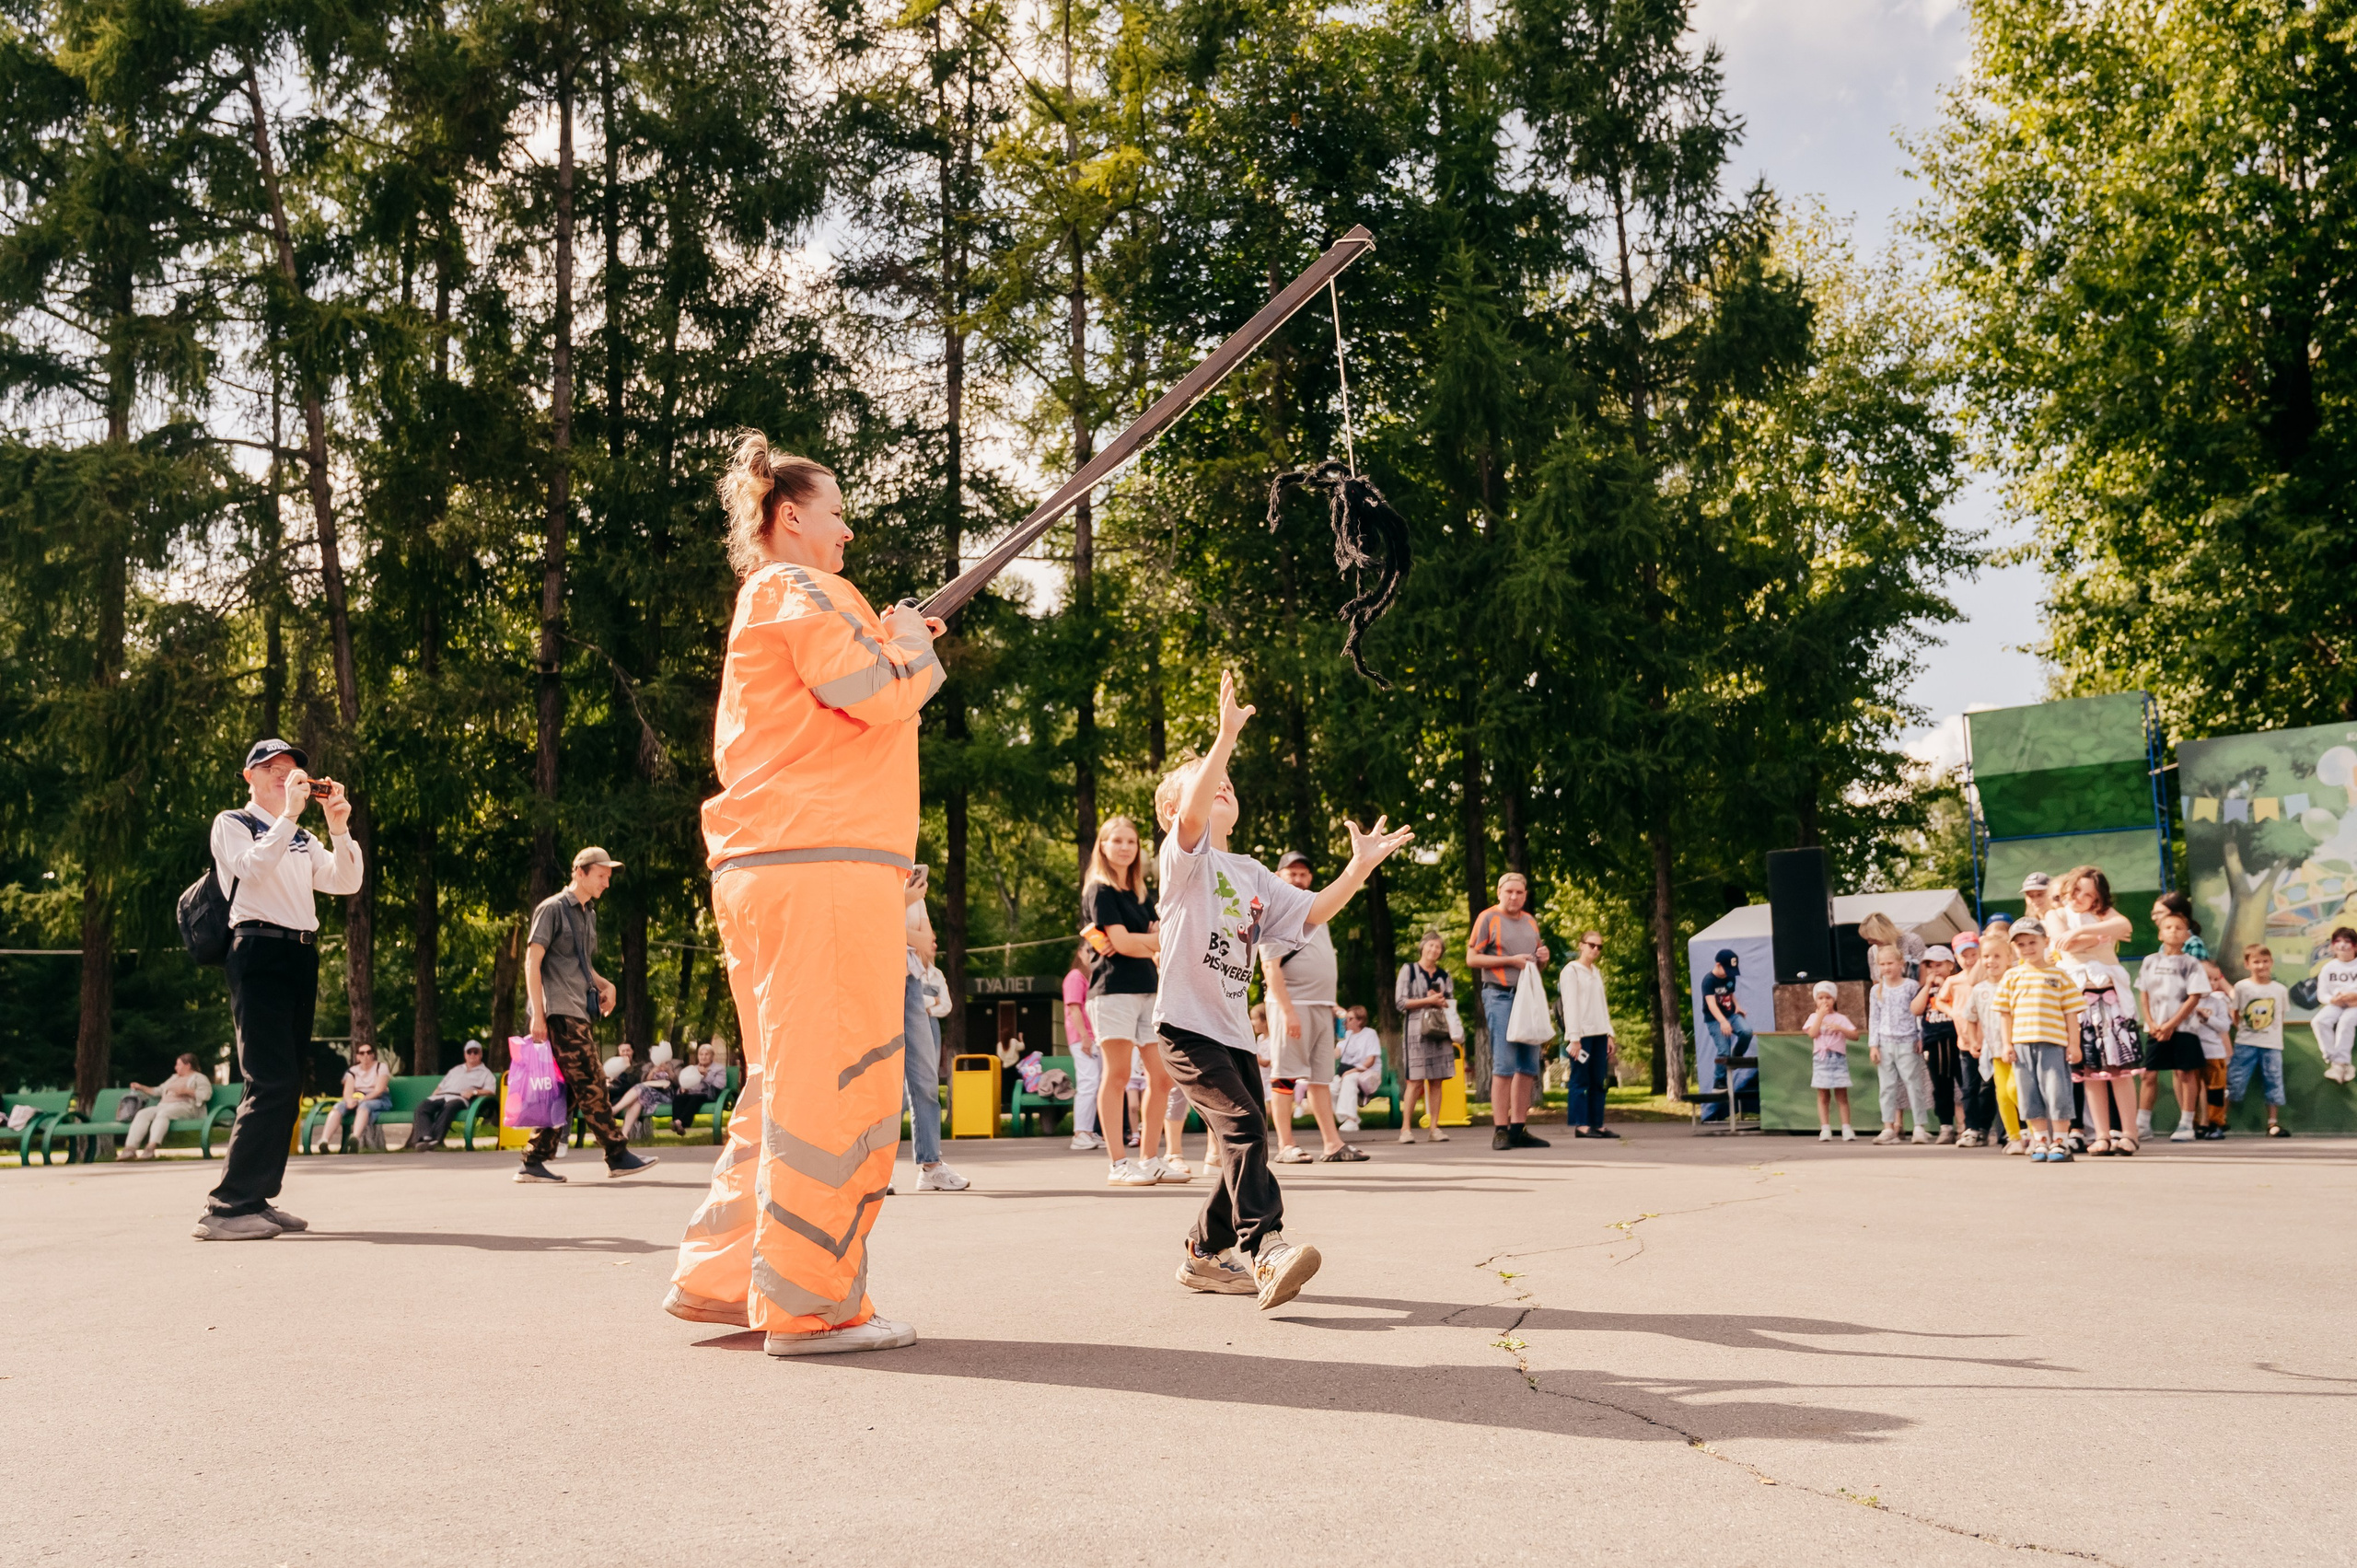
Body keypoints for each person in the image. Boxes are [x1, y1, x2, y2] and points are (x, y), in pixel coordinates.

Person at [665, 436, 943, 1357]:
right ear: (791, 516)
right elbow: (872, 687)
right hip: (819, 861)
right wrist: (901, 640)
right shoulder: (797, 587)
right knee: (840, 1078)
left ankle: (728, 1276)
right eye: (835, 512)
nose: (848, 529)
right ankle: (812, 1305)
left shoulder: (783, 598)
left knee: (789, 1076)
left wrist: (892, 638)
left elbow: (851, 683)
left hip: (781, 859)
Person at [1152, 669, 1412, 1309]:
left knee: (1250, 1137)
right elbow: (1194, 808)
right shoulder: (1185, 860)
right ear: (1174, 809)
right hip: (1187, 1025)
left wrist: (1358, 866)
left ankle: (1202, 1252)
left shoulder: (1251, 873)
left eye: (1230, 787)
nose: (1224, 788)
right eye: (1212, 784)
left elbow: (1314, 912)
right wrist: (1224, 737)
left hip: (1235, 1031)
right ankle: (1265, 1249)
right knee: (1242, 1124)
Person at [196, 738, 365, 1240]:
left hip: (299, 953)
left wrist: (338, 826)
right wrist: (288, 815)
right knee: (267, 1078)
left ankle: (256, 1198)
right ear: (249, 777)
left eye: (290, 768)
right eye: (270, 768)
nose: (282, 775)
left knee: (287, 1082)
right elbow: (251, 868)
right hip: (257, 950)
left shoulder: (301, 835)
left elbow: (345, 881)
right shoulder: (233, 823)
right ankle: (226, 1208)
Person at [515, 849, 657, 1184]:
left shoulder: (587, 914)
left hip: (578, 1010)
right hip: (558, 1013)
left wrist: (608, 985)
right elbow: (532, 961)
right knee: (593, 1083)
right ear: (580, 872)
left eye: (608, 877)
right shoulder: (551, 909)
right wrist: (538, 1014)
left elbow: (581, 965)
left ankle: (533, 1161)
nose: (607, 883)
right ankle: (617, 1154)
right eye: (601, 876)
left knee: (569, 1092)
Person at [1082, 815, 1177, 1186]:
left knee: (1163, 1076)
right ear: (1103, 846)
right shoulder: (1099, 891)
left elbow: (1144, 939)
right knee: (1118, 1075)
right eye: (1116, 840)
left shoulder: (1140, 893)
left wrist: (1144, 942)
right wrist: (1152, 941)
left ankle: (1150, 1158)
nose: (1124, 847)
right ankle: (1119, 1164)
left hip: (1149, 989)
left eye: (1131, 842)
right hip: (1113, 991)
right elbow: (1121, 944)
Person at [1263, 852, 1364, 1163]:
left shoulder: (1319, 909)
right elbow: (1271, 967)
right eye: (1291, 873)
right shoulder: (1275, 911)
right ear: (1277, 876)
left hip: (1320, 1007)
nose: (1299, 878)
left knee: (1321, 1077)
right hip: (1292, 1006)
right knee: (1285, 1077)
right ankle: (1285, 1146)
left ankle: (1332, 1143)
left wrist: (1331, 1004)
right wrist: (1288, 1011)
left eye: (1304, 873)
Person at [2053, 866, 2139, 1151]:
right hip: (2080, 1003)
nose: (2080, 898)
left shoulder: (2104, 916)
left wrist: (2086, 931)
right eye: (2077, 890)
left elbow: (2124, 926)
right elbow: (2063, 944)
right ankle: (2101, 1135)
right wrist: (2103, 937)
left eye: (2088, 895)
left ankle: (2129, 1133)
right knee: (2091, 1070)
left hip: (2111, 1000)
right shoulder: (2057, 915)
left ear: (2098, 899)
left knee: (2119, 1070)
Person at [1469, 872, 1550, 1148]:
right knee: (1504, 1065)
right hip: (1500, 996)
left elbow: (1534, 964)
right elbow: (1471, 958)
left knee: (1528, 1065)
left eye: (1519, 892)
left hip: (1528, 997)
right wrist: (1510, 961)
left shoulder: (1530, 921)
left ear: (1525, 895)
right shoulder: (1488, 918)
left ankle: (1519, 1128)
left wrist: (1543, 959)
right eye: (1509, 892)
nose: (1514, 897)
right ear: (1499, 892)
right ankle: (1500, 1130)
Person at [1994, 919, 2087, 1163]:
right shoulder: (2011, 976)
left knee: (2057, 1092)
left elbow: (2071, 1012)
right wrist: (2006, 1044)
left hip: (2053, 1044)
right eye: (2021, 944)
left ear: (2046, 942)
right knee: (2028, 1095)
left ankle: (2060, 1140)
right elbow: (2005, 1013)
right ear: (2014, 948)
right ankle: (2040, 1139)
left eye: (2032, 942)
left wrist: (2074, 1044)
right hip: (2022, 1045)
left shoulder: (2059, 976)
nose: (2027, 948)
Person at [901, 889, 968, 1191]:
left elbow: (925, 941)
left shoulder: (914, 887)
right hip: (874, 975)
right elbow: (866, 923)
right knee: (880, 1083)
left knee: (926, 1079)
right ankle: (872, 1170)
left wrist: (906, 931)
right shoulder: (870, 867)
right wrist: (901, 907)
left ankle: (931, 1165)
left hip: (909, 980)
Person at [2136, 907, 2212, 1145]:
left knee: (2185, 1073)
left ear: (2186, 935)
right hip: (2155, 1030)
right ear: (2160, 934)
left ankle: (2186, 1123)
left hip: (2184, 1029)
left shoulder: (2191, 964)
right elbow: (2144, 994)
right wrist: (2151, 1022)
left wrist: (2171, 1024)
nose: (2173, 931)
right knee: (2149, 1075)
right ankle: (2141, 1124)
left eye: (2179, 928)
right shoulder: (2150, 961)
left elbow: (2194, 997)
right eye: (2168, 927)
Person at [1967, 916, 2026, 1153]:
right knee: (2002, 1094)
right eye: (1986, 956)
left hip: (2018, 1048)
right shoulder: (1979, 989)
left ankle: (2033, 1131)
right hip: (1994, 1051)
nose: (1991, 961)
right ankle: (2014, 1138)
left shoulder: (2016, 982)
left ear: (2010, 958)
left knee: (2016, 1089)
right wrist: (1973, 1041)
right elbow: (1970, 1017)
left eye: (1997, 956)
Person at [1867, 946, 1934, 1144]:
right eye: (1882, 964)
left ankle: (1919, 1126)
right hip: (1885, 1043)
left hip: (1907, 1042)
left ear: (1901, 964)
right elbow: (1874, 1017)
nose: (1886, 967)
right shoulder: (1876, 990)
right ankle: (1888, 1127)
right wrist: (1874, 1045)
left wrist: (1921, 1037)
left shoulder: (1911, 986)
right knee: (1886, 1087)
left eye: (1890, 963)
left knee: (1914, 1084)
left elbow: (1919, 1014)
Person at [1394, 932, 1456, 1144]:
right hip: (1415, 1031)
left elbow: (1450, 1002)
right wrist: (1427, 1000)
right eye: (1431, 945)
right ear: (1422, 946)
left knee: (1437, 1080)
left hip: (1439, 1030)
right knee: (1415, 1081)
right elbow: (1401, 1003)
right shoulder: (1408, 970)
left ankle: (1434, 1127)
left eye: (1438, 947)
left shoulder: (1445, 975)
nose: (1434, 950)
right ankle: (1405, 1129)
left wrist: (1441, 1001)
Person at [1557, 929, 1618, 1140]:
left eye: (1599, 946)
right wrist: (1574, 1037)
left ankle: (1597, 1123)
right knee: (1580, 1079)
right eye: (1591, 945)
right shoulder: (1571, 971)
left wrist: (1609, 1033)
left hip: (1600, 1032)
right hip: (1581, 1035)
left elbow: (1602, 1005)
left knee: (1598, 1080)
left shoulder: (1596, 972)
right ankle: (1581, 1124)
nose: (1595, 950)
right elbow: (1570, 1006)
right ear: (1581, 945)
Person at [2230, 944, 2291, 1136]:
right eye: (2256, 961)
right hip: (2245, 1043)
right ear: (2247, 964)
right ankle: (2218, 1119)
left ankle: (2272, 1123)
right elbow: (2234, 1013)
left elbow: (2280, 1014)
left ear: (2271, 962)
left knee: (2274, 1081)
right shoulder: (2241, 987)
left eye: (2265, 961)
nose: (2261, 965)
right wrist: (2243, 1031)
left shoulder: (2280, 989)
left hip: (2272, 1044)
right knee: (2234, 1081)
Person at [402, 1040, 498, 1151]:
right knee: (422, 1107)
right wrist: (432, 1097)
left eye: (475, 1052)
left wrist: (475, 1092)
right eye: (469, 1052)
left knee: (449, 1108)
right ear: (465, 1054)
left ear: (480, 1054)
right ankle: (426, 1138)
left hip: (460, 1098)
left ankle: (436, 1140)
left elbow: (491, 1091)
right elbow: (440, 1086)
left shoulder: (486, 1073)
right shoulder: (456, 1070)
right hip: (442, 1095)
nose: (472, 1055)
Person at [1697, 948, 1756, 1123]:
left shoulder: (1729, 977)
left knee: (1746, 1032)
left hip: (1731, 1013)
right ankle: (1719, 1082)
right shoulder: (1708, 980)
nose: (1729, 975)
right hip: (1714, 1019)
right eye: (1726, 971)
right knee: (1723, 1049)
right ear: (1718, 965)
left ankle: (1737, 1056)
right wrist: (1723, 1022)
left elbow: (1730, 994)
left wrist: (1737, 1006)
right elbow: (1711, 1004)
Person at [1911, 946, 1962, 1144]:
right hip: (1934, 1042)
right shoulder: (1924, 988)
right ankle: (1946, 1127)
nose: (1935, 970)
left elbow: (1960, 1004)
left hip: (1956, 1039)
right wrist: (1927, 987)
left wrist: (1945, 986)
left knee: (1965, 1084)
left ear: (1950, 965)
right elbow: (1915, 1009)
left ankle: (1969, 1125)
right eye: (1930, 966)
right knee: (1941, 1087)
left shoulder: (1956, 984)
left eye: (1939, 965)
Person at [124, 1054, 212, 1160]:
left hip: (185, 1107)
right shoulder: (174, 1078)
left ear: (188, 1065)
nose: (176, 1067)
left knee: (163, 1114)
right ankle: (130, 1150)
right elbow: (158, 1091)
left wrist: (186, 1091)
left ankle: (150, 1148)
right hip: (163, 1106)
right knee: (143, 1114)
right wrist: (141, 1087)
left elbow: (206, 1094)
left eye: (178, 1065)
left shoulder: (199, 1078)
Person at [310, 1041, 391, 1155]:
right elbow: (347, 1091)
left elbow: (379, 1090)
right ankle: (324, 1140)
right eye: (362, 1053)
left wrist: (361, 1100)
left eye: (369, 1052)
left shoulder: (381, 1067)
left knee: (364, 1105)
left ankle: (355, 1138)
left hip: (377, 1099)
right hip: (356, 1097)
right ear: (357, 1056)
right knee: (338, 1107)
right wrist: (349, 1101)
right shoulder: (353, 1071)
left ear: (373, 1054)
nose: (366, 1055)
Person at [1804, 981, 1858, 1142]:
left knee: (1841, 1095)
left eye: (1828, 997)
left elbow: (1855, 1036)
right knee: (1823, 1095)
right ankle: (1825, 1128)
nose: (1824, 1001)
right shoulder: (1813, 1017)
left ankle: (1846, 1128)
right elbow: (1812, 1034)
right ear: (1815, 1001)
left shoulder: (1841, 1018)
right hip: (1821, 1059)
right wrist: (1820, 1016)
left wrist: (1840, 1028)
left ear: (1834, 999)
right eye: (1820, 998)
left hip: (1838, 1059)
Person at [1062, 944, 1103, 1151]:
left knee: (1094, 1084)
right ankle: (1080, 1133)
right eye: (1089, 950)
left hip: (1089, 1038)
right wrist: (1085, 1037)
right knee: (1088, 1083)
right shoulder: (1075, 977)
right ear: (1079, 953)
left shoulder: (1086, 977)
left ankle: (1088, 1131)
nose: (1092, 954)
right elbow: (1074, 1009)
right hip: (1082, 1039)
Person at [2193, 956, 2234, 1139]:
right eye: (2208, 978)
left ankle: (2216, 1123)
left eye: (2216, 979)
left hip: (2214, 1053)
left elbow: (2224, 1026)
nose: (2212, 983)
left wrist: (2206, 1018)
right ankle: (2196, 1124)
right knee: (2194, 1090)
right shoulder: (2188, 1000)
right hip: (2193, 1052)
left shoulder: (2217, 1002)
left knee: (2216, 1090)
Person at [2313, 926, 2357, 1083]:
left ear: (2355, 946)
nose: (2342, 945)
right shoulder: (2328, 967)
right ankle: (2337, 1062)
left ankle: (2341, 1063)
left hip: (2356, 1006)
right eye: (2338, 941)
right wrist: (2333, 1000)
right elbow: (2322, 995)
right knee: (2319, 1021)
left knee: (2346, 1021)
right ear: (2332, 945)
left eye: (2347, 941)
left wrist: (2354, 996)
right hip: (2337, 1004)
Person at [1332, 1006, 1384, 1132]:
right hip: (1347, 1072)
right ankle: (1346, 1117)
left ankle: (1352, 1120)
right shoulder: (1346, 1034)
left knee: (1350, 1079)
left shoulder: (1370, 1034)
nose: (1346, 1021)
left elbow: (1370, 1060)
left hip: (1367, 1073)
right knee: (1330, 1086)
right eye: (1346, 1019)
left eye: (1350, 1019)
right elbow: (1337, 1053)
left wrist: (1352, 1071)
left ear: (1360, 1021)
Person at [616, 1043, 679, 1142]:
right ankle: (624, 1134)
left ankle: (615, 1109)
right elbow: (644, 1080)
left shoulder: (675, 1064)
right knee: (638, 1101)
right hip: (649, 1095)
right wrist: (653, 1072)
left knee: (639, 1088)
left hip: (666, 1095)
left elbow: (679, 1082)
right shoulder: (648, 1066)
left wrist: (669, 1071)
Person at [669, 1042, 726, 1135]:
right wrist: (683, 1089)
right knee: (678, 1098)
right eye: (701, 1054)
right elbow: (685, 1082)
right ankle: (679, 1124)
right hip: (691, 1093)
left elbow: (720, 1085)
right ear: (698, 1056)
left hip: (708, 1094)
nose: (703, 1057)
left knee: (696, 1098)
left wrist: (706, 1076)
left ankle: (678, 1123)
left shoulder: (719, 1068)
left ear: (712, 1056)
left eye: (707, 1054)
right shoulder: (692, 1068)